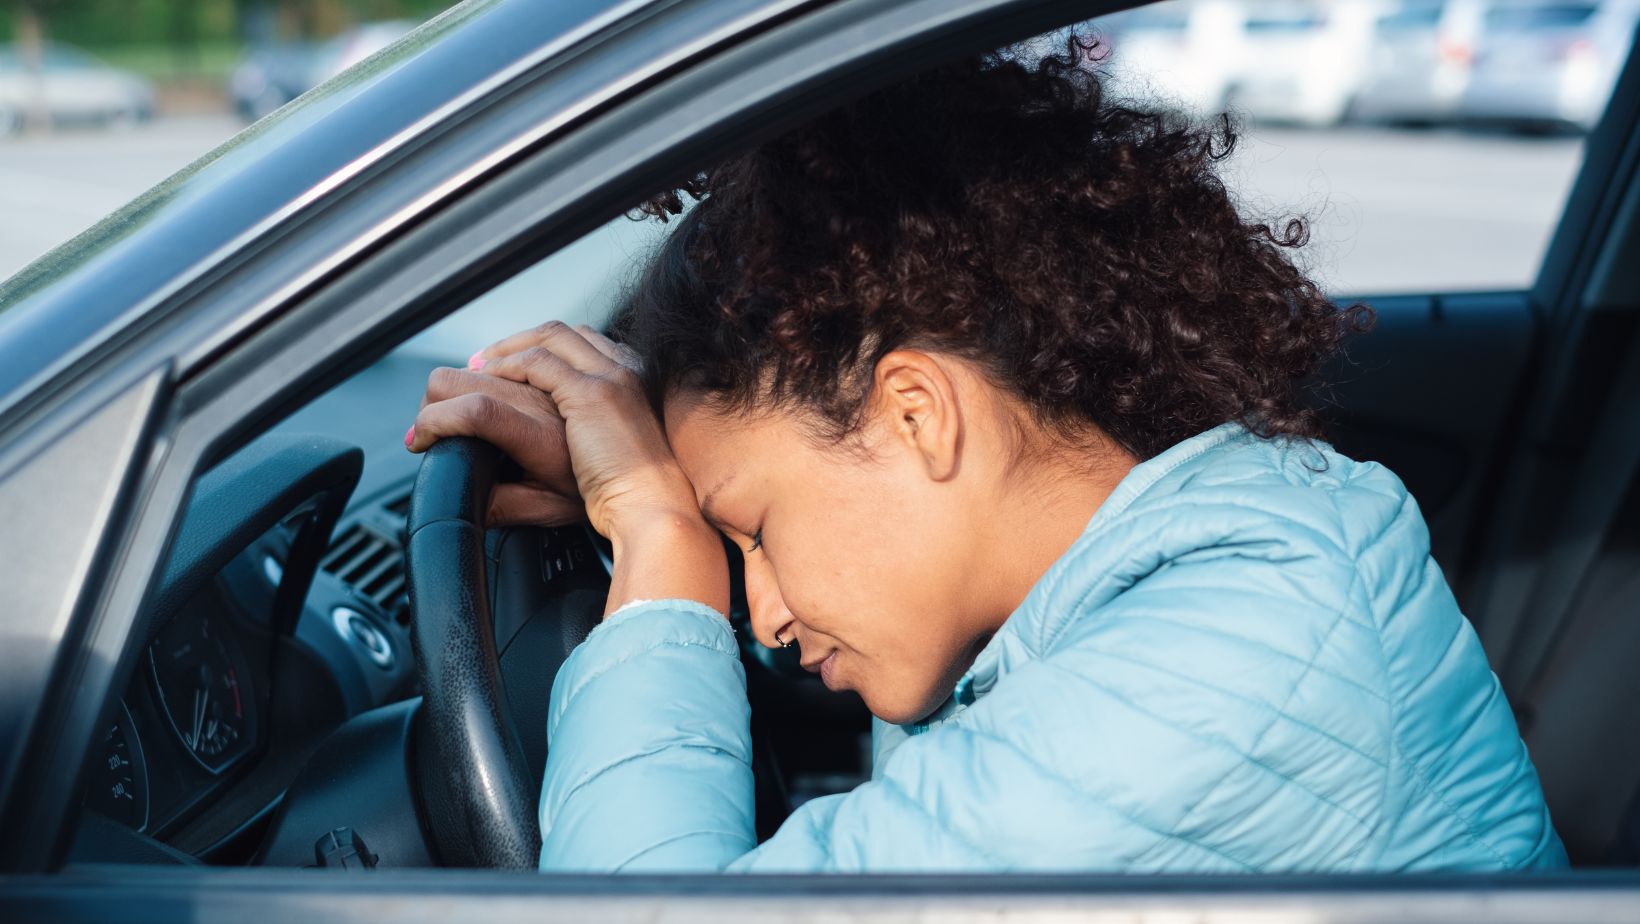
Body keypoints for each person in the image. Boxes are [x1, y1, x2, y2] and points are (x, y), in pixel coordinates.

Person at [407, 40, 1566, 872]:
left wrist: (659, 544)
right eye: (730, 550)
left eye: (753, 533)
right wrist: (651, 518)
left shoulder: (1222, 675)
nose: (757, 612)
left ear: (916, 414)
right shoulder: (1159, 574)